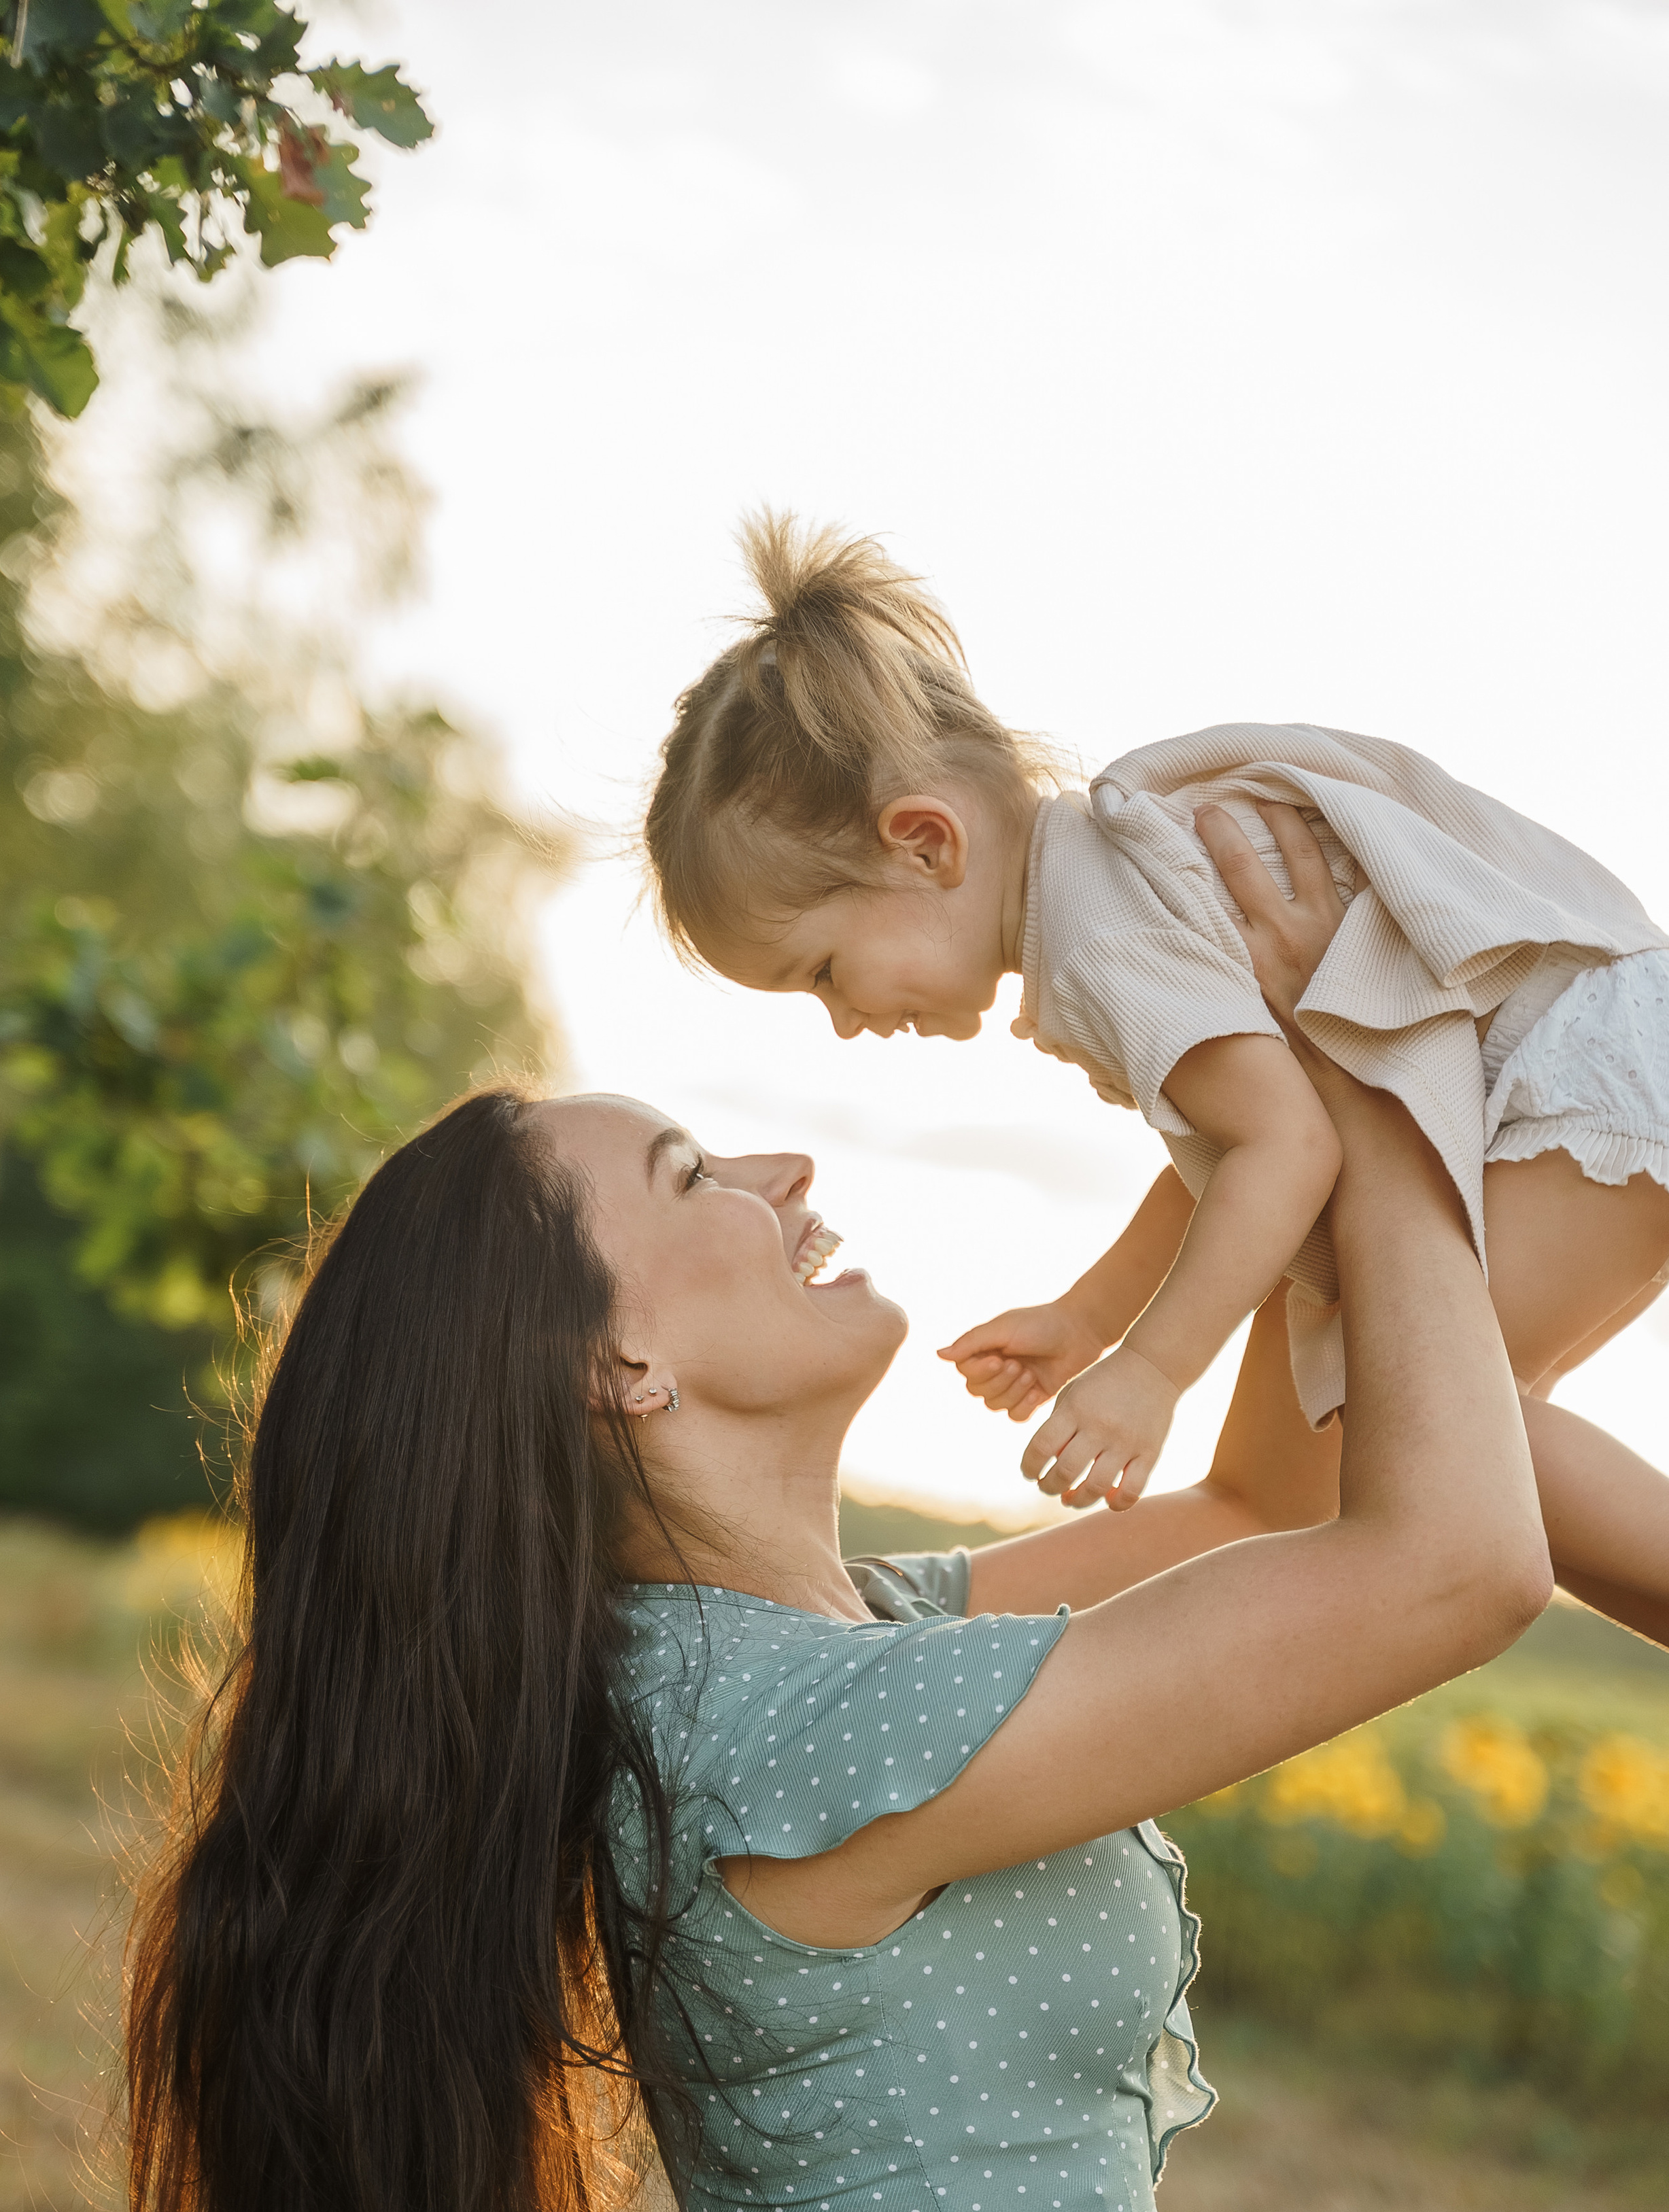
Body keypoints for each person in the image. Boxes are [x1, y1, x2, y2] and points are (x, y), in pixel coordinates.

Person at [124, 830, 1549, 2212]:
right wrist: (1375, 1057)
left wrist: (1258, 1088)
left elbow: (1265, 1497)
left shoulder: (826, 1648)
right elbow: (1455, 1565)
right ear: (617, 1369)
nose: (783, 1161)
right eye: (692, 1171)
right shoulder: (792, 1737)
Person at [640, 517, 1669, 1648]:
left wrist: (1150, 1371)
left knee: (1426, 1415)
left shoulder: (1096, 940)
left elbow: (1288, 1151)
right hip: (1603, 1052)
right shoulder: (1103, 888)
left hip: (1582, 1070)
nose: (843, 1021)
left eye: (825, 971)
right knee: (1446, 1437)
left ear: (927, 844)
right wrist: (1090, 1313)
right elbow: (1235, 1141)